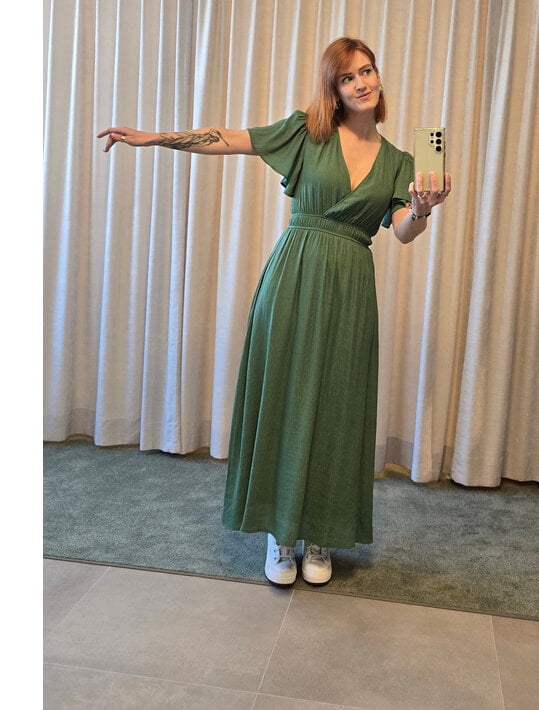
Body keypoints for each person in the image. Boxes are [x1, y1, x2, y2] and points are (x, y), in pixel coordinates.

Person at [98, 37, 451, 587]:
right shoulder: (307, 133)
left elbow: (403, 232)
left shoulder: (400, 162)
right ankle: (281, 534)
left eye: (366, 71)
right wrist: (156, 137)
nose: (360, 83)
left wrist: (423, 209)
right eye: (347, 77)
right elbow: (232, 139)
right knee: (285, 396)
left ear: (378, 77)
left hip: (350, 287)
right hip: (293, 274)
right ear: (333, 89)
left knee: (337, 405)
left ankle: (319, 533)